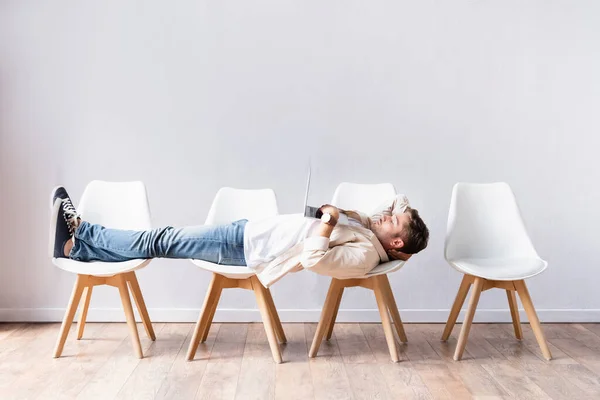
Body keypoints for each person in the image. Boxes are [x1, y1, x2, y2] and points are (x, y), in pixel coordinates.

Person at [50, 186, 429, 287]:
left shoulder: (364, 254)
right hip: (250, 232)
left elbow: (316, 261)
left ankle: (82, 231)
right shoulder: (371, 230)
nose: (387, 213)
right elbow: (400, 200)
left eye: (393, 220)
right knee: (162, 239)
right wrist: (407, 244)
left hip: (245, 249)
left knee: (161, 239)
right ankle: (78, 248)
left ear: (394, 242)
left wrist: (328, 222)